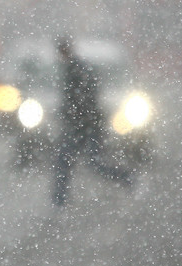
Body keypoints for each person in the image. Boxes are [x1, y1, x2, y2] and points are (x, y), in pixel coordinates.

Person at [51, 36, 133, 206]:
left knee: (86, 163)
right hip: (83, 126)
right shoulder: (73, 69)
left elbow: (84, 100)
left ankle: (127, 177)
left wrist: (76, 116)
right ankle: (59, 200)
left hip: (85, 126)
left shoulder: (77, 70)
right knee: (73, 162)